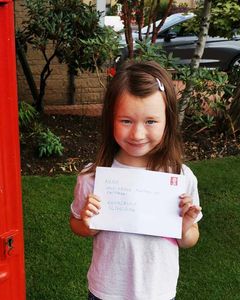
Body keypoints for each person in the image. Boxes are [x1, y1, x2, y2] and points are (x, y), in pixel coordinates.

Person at [70, 61, 202, 300]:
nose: (137, 134)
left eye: (150, 121)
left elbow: (190, 238)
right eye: (126, 121)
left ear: (168, 122)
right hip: (106, 291)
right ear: (111, 119)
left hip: (158, 292)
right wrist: (89, 225)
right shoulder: (93, 177)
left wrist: (184, 227)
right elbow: (77, 224)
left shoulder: (180, 177)